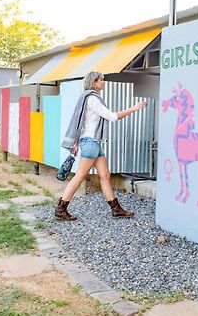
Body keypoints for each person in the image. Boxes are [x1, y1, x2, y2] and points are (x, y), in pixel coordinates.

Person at [55, 71, 147, 220]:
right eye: (101, 80)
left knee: (105, 175)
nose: (103, 82)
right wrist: (134, 108)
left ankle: (116, 209)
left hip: (93, 143)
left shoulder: (90, 98)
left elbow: (83, 124)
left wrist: (78, 142)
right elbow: (112, 116)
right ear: (93, 82)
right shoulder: (92, 99)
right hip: (91, 143)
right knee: (80, 176)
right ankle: (61, 208)